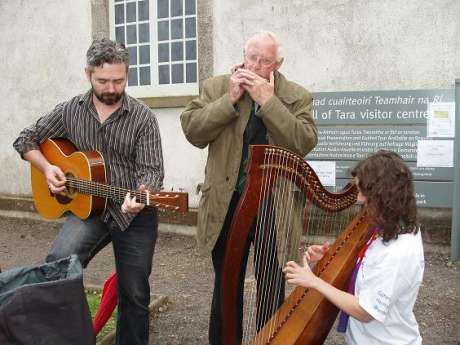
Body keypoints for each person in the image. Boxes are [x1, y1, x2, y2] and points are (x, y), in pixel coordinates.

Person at [13, 38, 164, 345]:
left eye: (119, 81)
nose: (111, 88)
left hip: (131, 212)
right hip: (89, 210)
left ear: (127, 75)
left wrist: (141, 195)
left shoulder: (143, 117)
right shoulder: (71, 110)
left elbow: (152, 172)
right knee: (57, 266)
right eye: (103, 81)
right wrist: (47, 168)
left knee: (134, 293)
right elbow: (25, 139)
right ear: (88, 74)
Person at [180, 31, 318, 344]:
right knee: (226, 284)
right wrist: (228, 99)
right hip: (227, 202)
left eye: (265, 61)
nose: (255, 66)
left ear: (278, 63)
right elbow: (192, 130)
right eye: (251, 57)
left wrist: (268, 102)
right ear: (243, 55)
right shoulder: (216, 86)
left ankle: (268, 340)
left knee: (271, 286)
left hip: (274, 202)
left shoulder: (296, 96)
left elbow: (304, 142)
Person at [283, 150, 424, 345]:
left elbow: (365, 312)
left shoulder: (398, 251)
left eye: (361, 192)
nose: (357, 199)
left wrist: (314, 281)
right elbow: (370, 264)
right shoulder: (392, 227)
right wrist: (327, 256)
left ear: (380, 194)